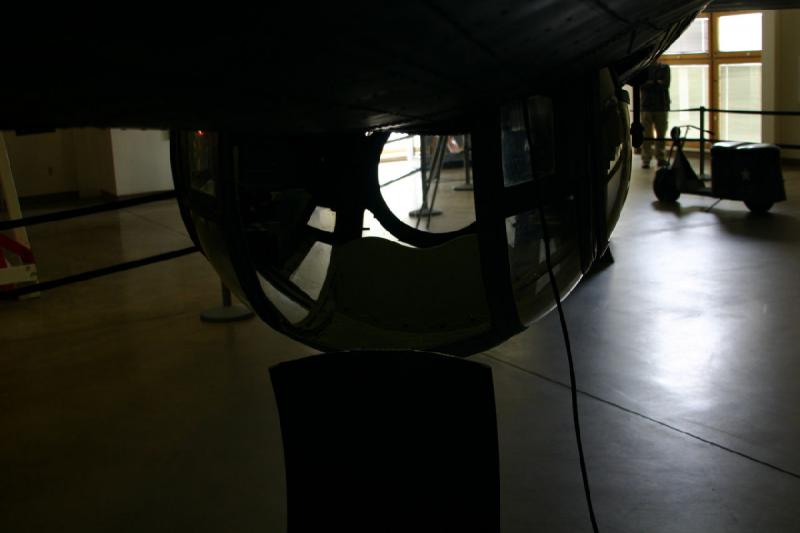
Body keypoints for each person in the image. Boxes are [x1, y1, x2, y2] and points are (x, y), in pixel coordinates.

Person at [640, 61, 671, 169]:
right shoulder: (644, 67)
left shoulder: (664, 67)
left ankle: (660, 158)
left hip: (660, 106)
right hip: (647, 106)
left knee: (661, 134)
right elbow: (641, 85)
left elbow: (665, 85)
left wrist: (650, 83)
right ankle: (646, 159)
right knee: (646, 135)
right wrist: (656, 82)